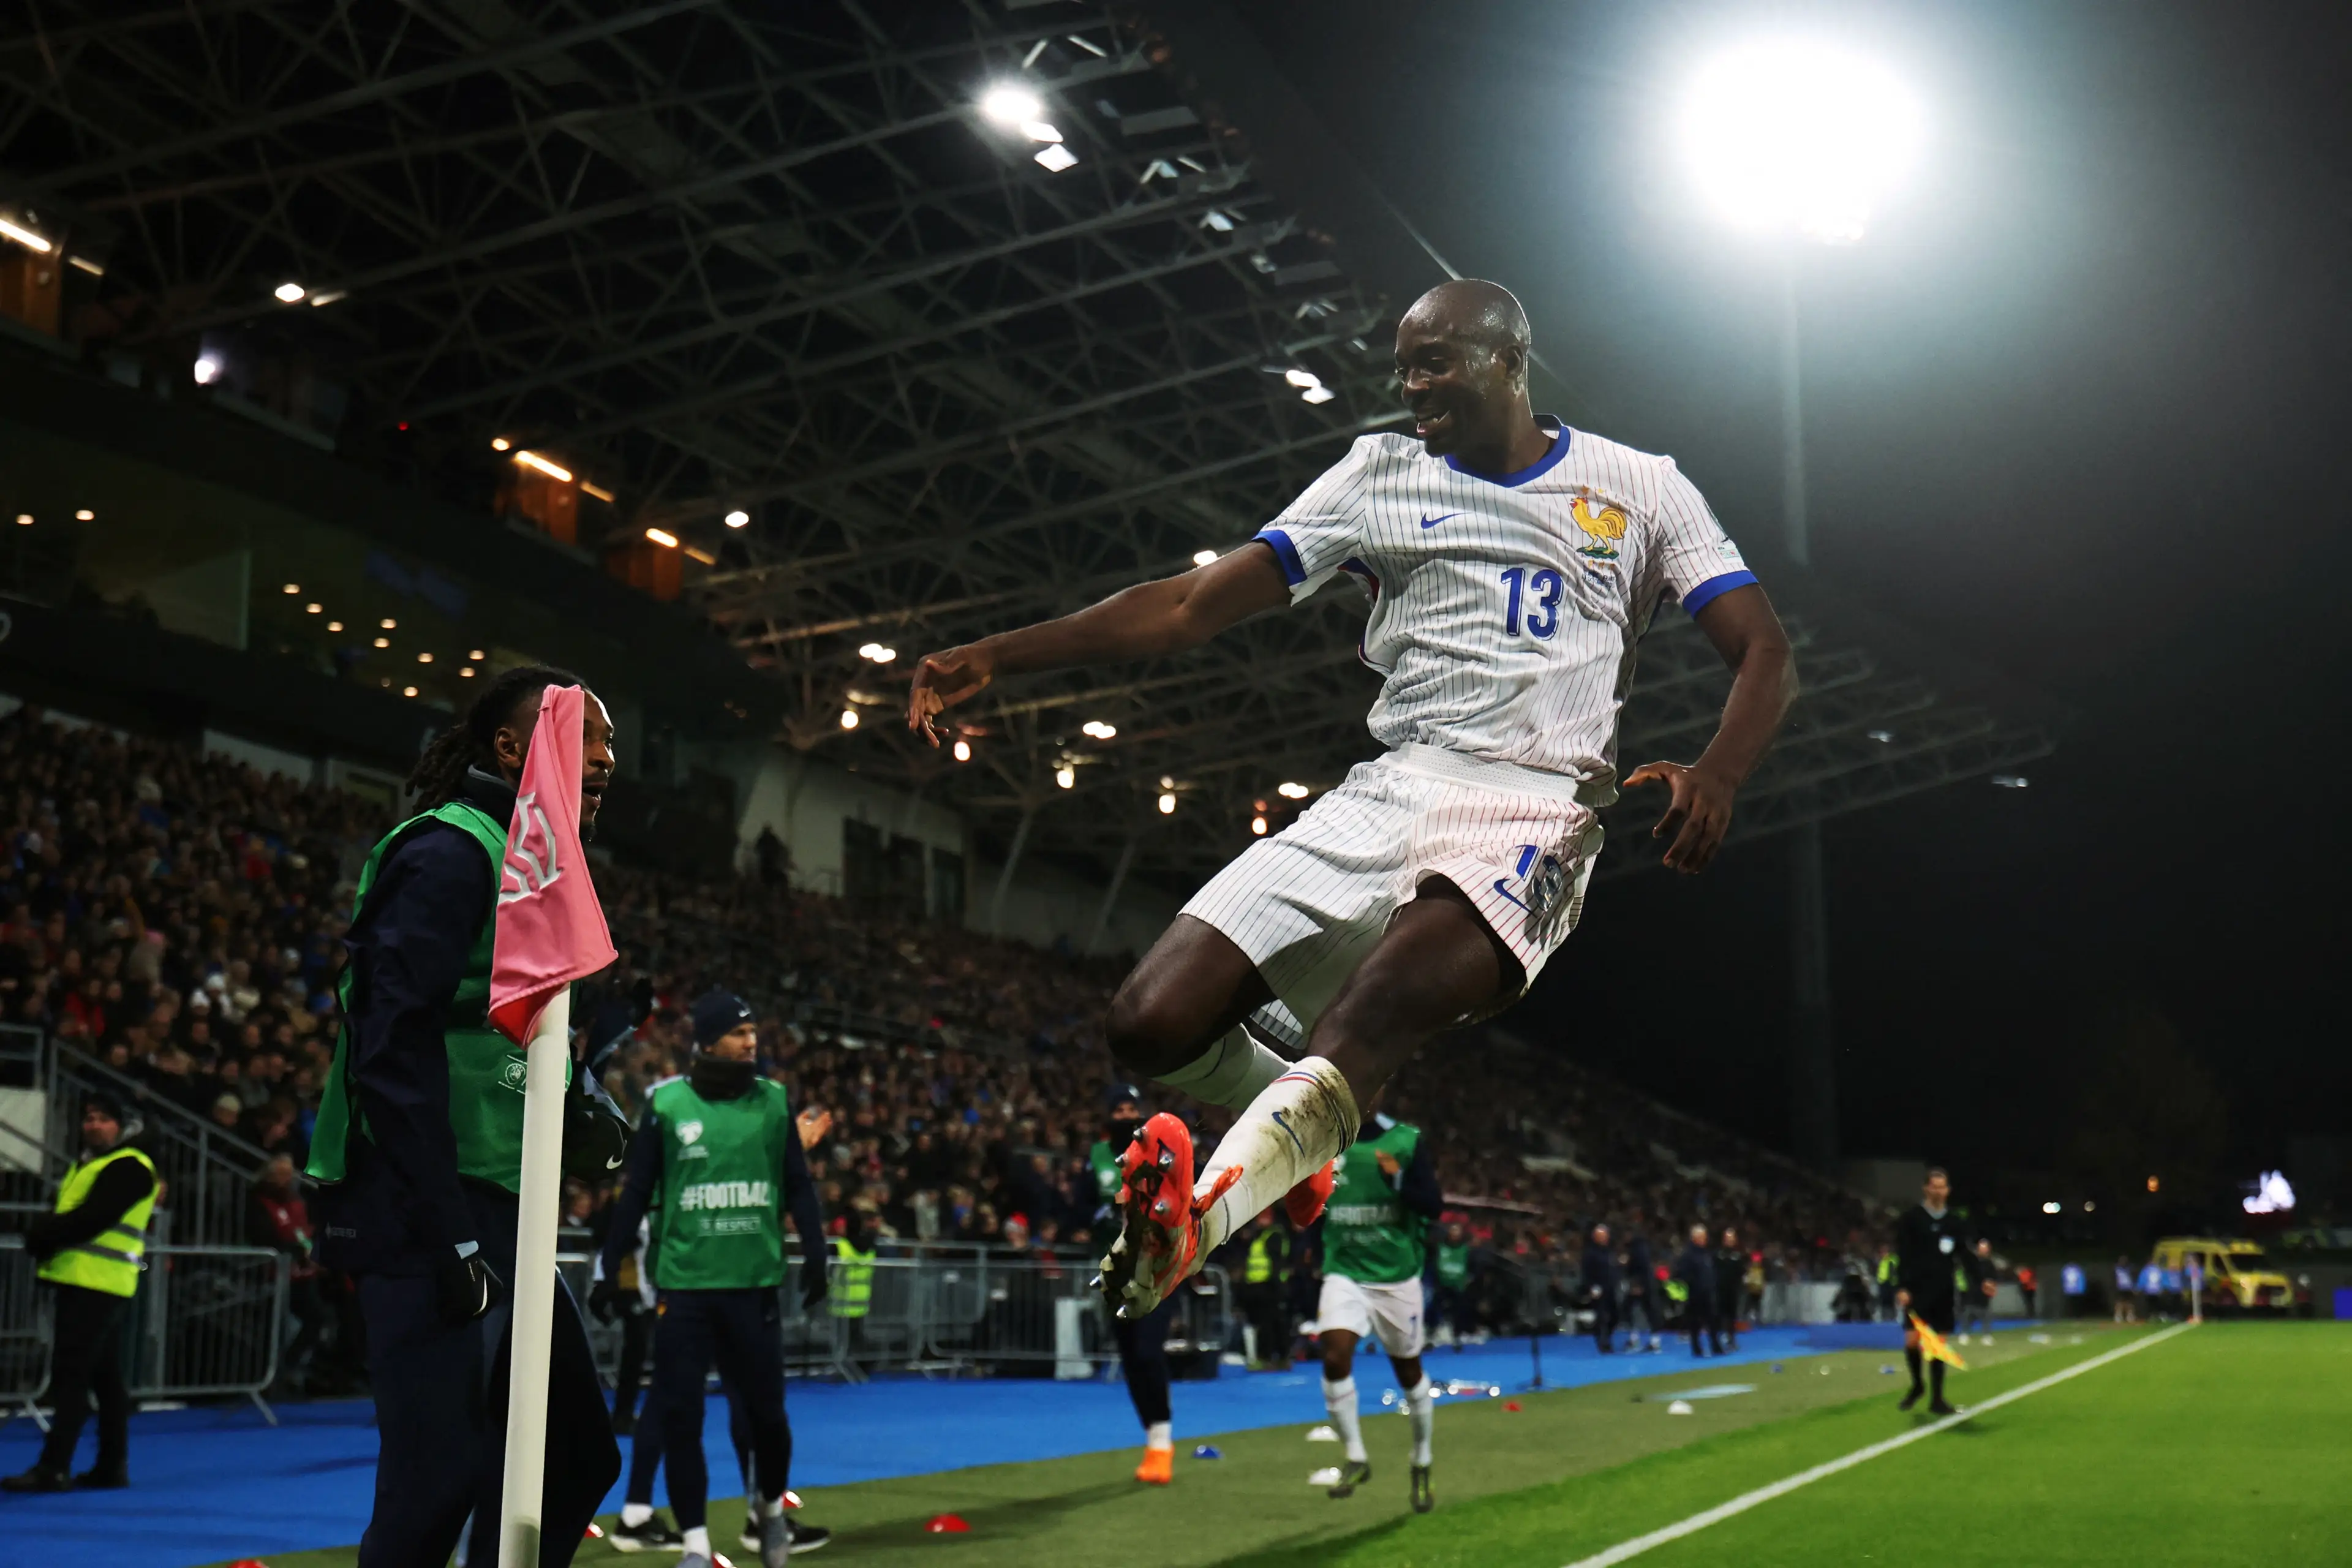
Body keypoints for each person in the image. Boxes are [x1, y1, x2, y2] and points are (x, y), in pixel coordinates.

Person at [906, 279, 1796, 1323]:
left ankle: (1200, 1223)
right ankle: (1303, 1149)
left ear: (1510, 359)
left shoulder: (1641, 486)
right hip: (1388, 788)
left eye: (1437, 363)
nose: (1414, 387)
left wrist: (1720, 771)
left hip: (1535, 812)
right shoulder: (1378, 473)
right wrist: (1001, 654)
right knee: (1148, 1024)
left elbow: (1765, 652)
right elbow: (1193, 605)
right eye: (1404, 368)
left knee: (1369, 1013)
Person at [304, 665, 627, 1567]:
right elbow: (389, 1040)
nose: (607, 759)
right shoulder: (452, 851)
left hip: (501, 1203)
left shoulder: (535, 868)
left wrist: (582, 1082)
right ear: (511, 748)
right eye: (589, 737)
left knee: (571, 1459)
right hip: (428, 1207)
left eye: (611, 745)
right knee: (434, 1481)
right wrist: (448, 1233)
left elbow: (497, 1035)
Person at [593, 990, 833, 1566]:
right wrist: (609, 1266)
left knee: (769, 1417)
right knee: (682, 1415)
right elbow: (637, 1191)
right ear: (708, 1039)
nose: (752, 1041)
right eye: (739, 1032)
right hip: (686, 1286)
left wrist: (818, 1251)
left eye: (754, 1033)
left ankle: (769, 1512)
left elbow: (797, 1183)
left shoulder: (773, 1101)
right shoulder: (668, 1104)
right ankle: (696, 1545)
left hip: (754, 1286)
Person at [2, 1093, 155, 1492]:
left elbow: (92, 1218)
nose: (94, 1125)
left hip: (95, 1282)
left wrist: (40, 1236)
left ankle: (54, 1467)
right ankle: (111, 1465)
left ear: (122, 1127)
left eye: (104, 1118)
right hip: (92, 1280)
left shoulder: (130, 1167)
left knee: (72, 1377)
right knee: (105, 1379)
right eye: (89, 1118)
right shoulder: (93, 1165)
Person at [1313, 1112, 1443, 1512]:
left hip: (1395, 1277)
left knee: (1409, 1372)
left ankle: (1421, 1459)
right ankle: (1355, 1456)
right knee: (1334, 1356)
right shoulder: (1327, 1138)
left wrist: (1398, 1179)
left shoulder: (1405, 1140)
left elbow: (1434, 1205)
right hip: (1345, 1270)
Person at [1088, 1086, 1178, 1483]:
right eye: (1118, 1109)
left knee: (1146, 1351)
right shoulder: (1095, 1159)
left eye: (1131, 1109)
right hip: (1116, 1270)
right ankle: (1153, 1439)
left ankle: (1162, 1441)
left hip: (1156, 1266)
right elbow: (1078, 1205)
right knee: (1129, 1357)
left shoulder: (1160, 1156)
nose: (1126, 1115)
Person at [1893, 1169, 1991, 1415]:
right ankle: (1917, 1385)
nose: (1939, 1191)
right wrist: (1902, 1286)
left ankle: (1937, 1398)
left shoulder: (1954, 1222)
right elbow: (1903, 1255)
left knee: (1938, 1344)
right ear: (1926, 1189)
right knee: (1913, 1341)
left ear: (1948, 1190)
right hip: (1917, 1289)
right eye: (1934, 1187)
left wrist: (1982, 1279)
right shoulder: (1912, 1218)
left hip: (1944, 1290)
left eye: (1943, 1187)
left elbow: (1965, 1255)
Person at [249, 1153, 330, 1394]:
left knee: (316, 1319)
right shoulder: (258, 1201)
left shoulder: (297, 1200)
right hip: (273, 1272)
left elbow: (305, 1230)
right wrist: (296, 1251)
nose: (287, 1179)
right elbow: (263, 1236)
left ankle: (288, 1368)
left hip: (301, 1275)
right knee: (270, 1329)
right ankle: (268, 1379)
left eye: (289, 1174)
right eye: (281, 1174)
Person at [1232, 1210, 1294, 1368]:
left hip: (1269, 1287)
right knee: (1270, 1323)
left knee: (1269, 1325)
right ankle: (1278, 1357)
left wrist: (1276, 1286)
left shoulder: (1273, 1236)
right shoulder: (1259, 1236)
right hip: (1258, 1287)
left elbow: (1276, 1263)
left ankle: (1268, 1357)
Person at [1428, 1216, 1476, 1348]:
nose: (1454, 1234)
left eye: (1457, 1231)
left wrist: (1468, 1280)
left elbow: (1472, 1268)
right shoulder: (1440, 1247)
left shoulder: (1466, 1250)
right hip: (1441, 1285)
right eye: (1452, 1230)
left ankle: (1458, 1336)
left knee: (1461, 1309)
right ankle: (1431, 1335)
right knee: (1434, 1307)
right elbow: (1433, 1264)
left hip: (1459, 1286)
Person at [1673, 1224, 1717, 1357]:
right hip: (1694, 1294)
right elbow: (1681, 1275)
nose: (1705, 1239)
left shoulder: (1706, 1253)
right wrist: (1691, 1287)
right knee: (1695, 1323)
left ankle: (1716, 1346)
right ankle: (1697, 1348)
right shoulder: (1688, 1255)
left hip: (1708, 1293)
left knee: (1713, 1320)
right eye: (1702, 1237)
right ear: (1695, 1238)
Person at [1580, 1222, 1621, 1353]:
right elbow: (1586, 1272)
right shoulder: (1590, 1253)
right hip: (1598, 1288)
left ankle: (1607, 1336)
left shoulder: (1610, 1251)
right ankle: (1603, 1343)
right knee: (1601, 1316)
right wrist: (1591, 1287)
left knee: (1615, 1315)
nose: (1604, 1238)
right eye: (1601, 1236)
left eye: (1605, 1235)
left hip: (1611, 1287)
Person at [1624, 1227, 1662, 1352]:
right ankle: (1654, 1340)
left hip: (1641, 1285)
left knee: (1630, 1310)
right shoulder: (1643, 1248)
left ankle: (1636, 1339)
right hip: (1647, 1284)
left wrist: (1638, 1285)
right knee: (1650, 1312)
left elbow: (1639, 1268)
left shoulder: (1637, 1250)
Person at [1711, 1225, 1745, 1352]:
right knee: (1718, 1315)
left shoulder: (1737, 1256)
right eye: (1727, 1238)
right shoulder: (1718, 1254)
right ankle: (1717, 1339)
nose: (1729, 1241)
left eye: (1732, 1238)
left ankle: (1731, 1338)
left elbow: (1741, 1272)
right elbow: (1713, 1270)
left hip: (1733, 1291)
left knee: (1731, 1316)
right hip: (1719, 1290)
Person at [1959, 1239, 1997, 1337]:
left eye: (1985, 1248)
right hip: (1973, 1291)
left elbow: (1994, 1277)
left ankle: (1987, 1335)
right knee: (1968, 1313)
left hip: (1985, 1293)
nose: (1984, 1251)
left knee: (1986, 1314)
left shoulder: (1990, 1263)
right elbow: (1967, 1275)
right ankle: (1965, 1334)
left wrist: (1990, 1285)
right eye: (1982, 1248)